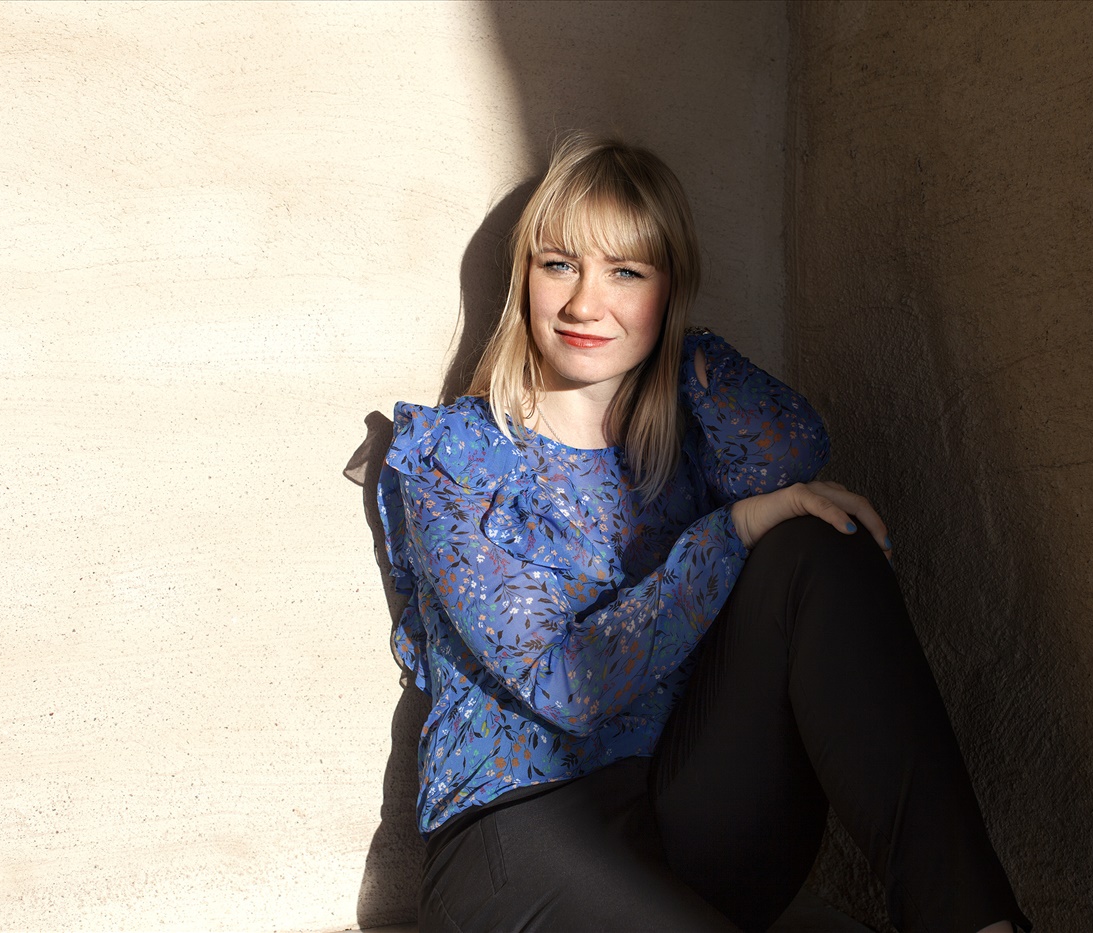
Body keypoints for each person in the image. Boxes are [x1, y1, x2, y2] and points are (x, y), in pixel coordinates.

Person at [375, 133, 1031, 933]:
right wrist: (731, 530)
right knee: (772, 522)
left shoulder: (686, 441)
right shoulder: (455, 458)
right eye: (560, 264)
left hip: (686, 814)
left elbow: (795, 449)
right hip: (523, 831)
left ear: (670, 288)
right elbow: (565, 683)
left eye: (626, 272)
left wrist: (674, 350)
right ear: (525, 277)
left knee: (816, 543)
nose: (585, 303)